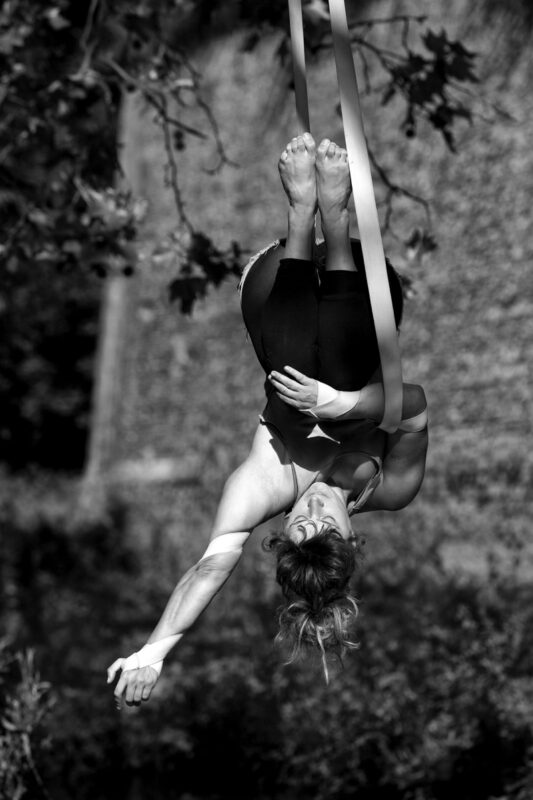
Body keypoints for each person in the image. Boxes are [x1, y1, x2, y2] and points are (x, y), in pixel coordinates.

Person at [108, 133, 428, 702]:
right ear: (352, 538)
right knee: (346, 380)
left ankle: (303, 214)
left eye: (302, 525)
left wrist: (152, 654)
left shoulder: (264, 485)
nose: (316, 510)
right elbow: (417, 406)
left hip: (275, 282)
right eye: (329, 526)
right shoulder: (391, 488)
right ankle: (335, 220)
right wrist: (340, 404)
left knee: (293, 385)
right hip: (367, 293)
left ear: (283, 533)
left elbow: (209, 570)